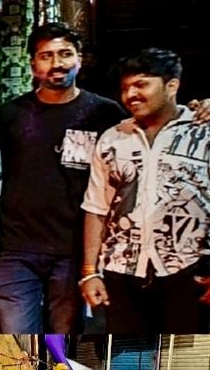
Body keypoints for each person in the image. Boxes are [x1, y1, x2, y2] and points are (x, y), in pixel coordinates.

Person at [0, 23, 129, 333]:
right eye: (46, 56)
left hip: (74, 249)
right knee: (14, 341)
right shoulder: (11, 114)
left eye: (65, 54)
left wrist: (193, 112)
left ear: (79, 59)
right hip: (16, 248)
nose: (57, 63)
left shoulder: (106, 113)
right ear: (33, 64)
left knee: (64, 341)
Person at [82, 49, 210, 332]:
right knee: (128, 354)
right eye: (125, 87)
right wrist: (90, 272)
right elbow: (96, 209)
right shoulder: (113, 139)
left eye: (141, 85)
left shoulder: (203, 133)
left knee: (187, 354)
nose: (131, 95)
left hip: (190, 271)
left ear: (172, 86)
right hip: (122, 272)